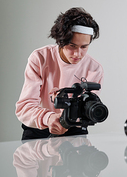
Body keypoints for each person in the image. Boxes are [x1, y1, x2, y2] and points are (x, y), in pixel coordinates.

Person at [15, 7, 104, 140]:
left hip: (74, 130)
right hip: (39, 128)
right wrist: (49, 118)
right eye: (72, 46)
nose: (77, 54)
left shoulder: (94, 68)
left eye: (84, 47)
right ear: (60, 41)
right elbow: (24, 107)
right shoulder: (40, 58)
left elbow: (87, 109)